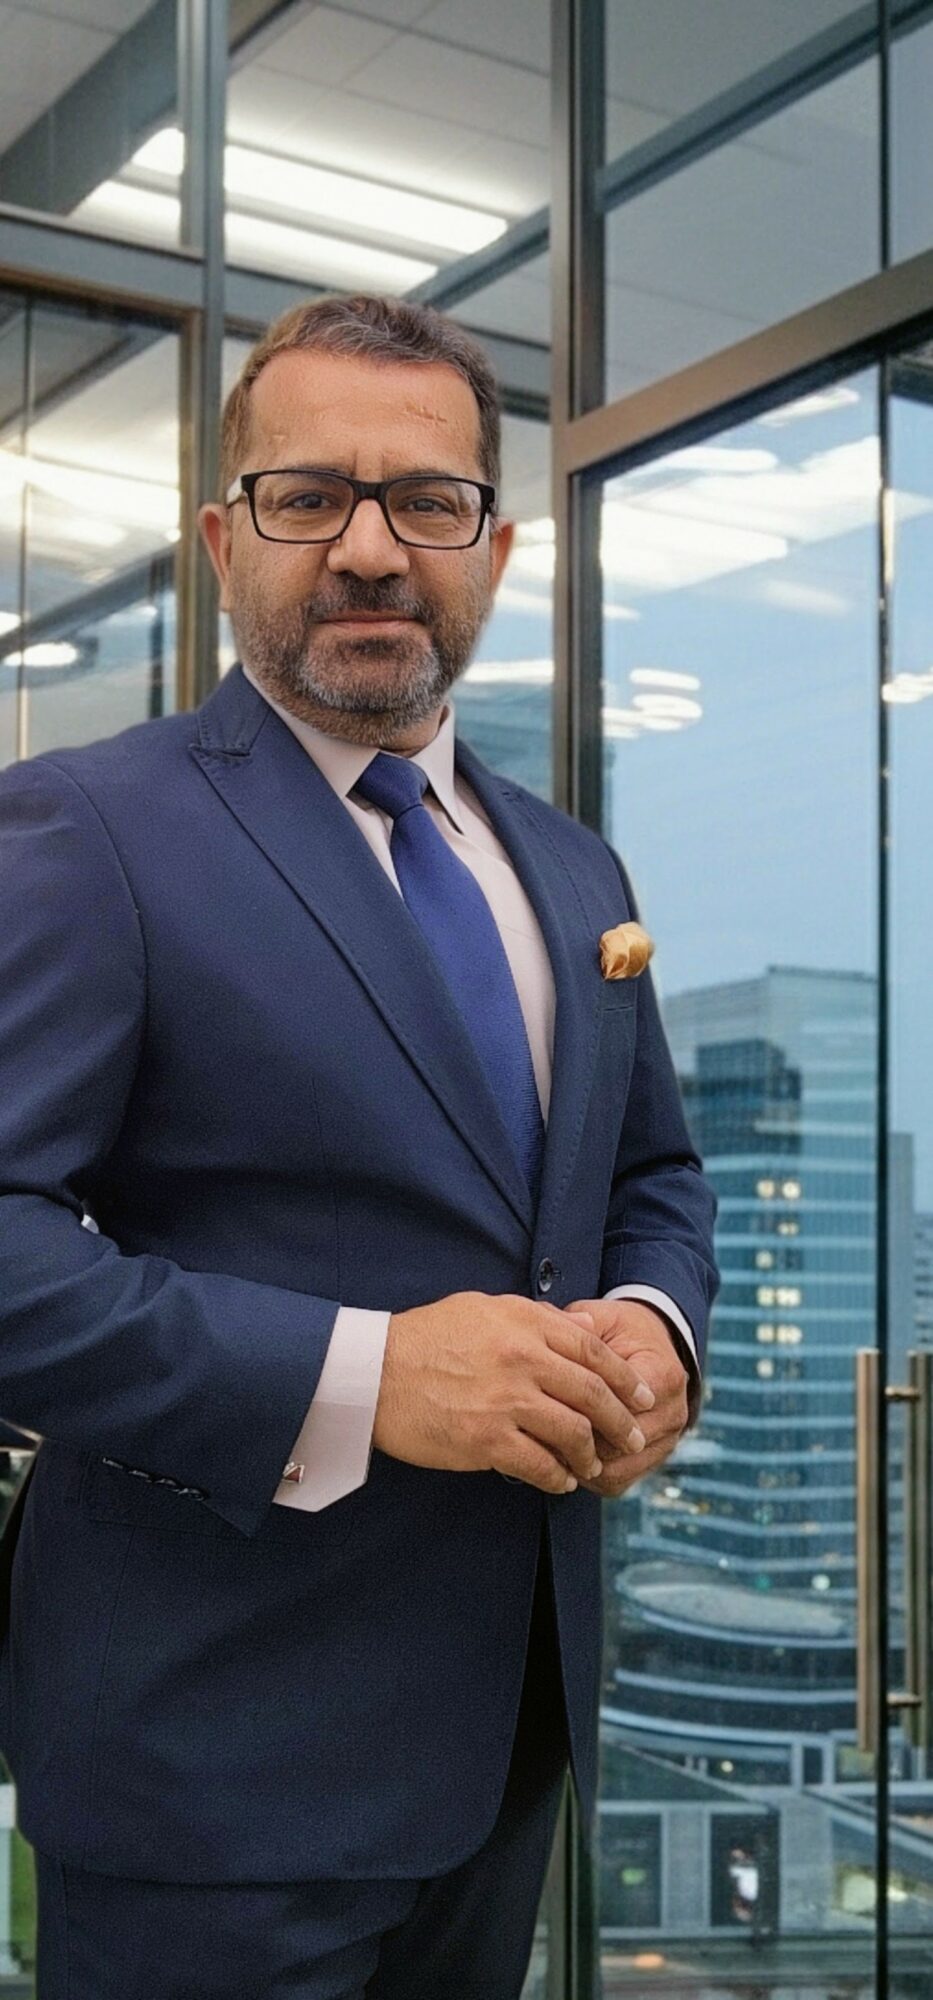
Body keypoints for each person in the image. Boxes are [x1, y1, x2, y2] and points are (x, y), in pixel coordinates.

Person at [0, 294, 718, 1999]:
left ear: (496, 542)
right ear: (218, 537)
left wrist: (655, 1330)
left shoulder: (569, 868)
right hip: (206, 1765)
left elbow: (648, 1181)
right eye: (308, 497)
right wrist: (362, 1377)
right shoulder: (90, 824)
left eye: (428, 503)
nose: (373, 551)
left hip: (509, 1734)